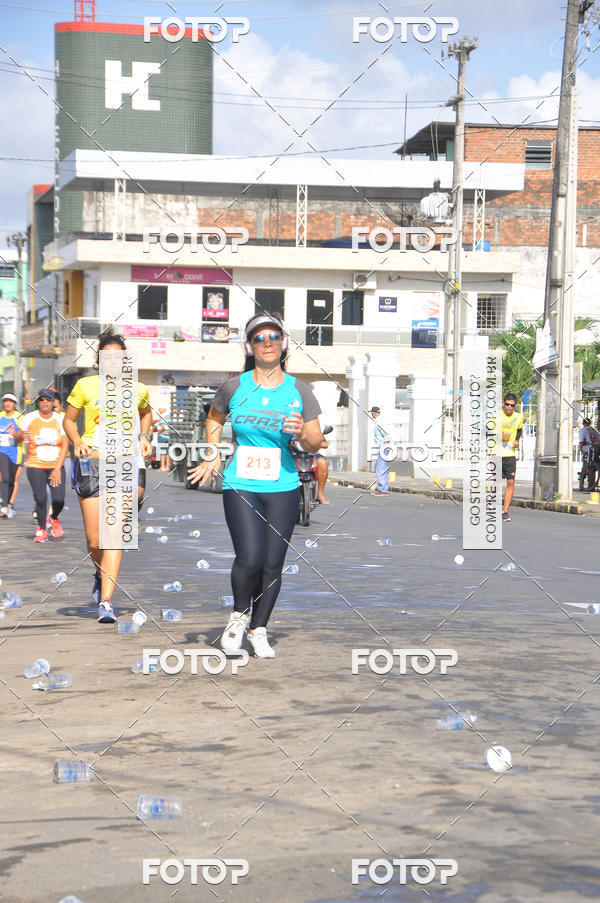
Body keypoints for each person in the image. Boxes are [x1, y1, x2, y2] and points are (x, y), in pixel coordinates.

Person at [188, 312, 324, 658]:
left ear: (284, 344)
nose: (267, 344)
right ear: (249, 346)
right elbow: (215, 418)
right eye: (260, 339)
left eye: (274, 337)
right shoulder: (235, 387)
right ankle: (238, 616)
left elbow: (315, 442)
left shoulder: (300, 391)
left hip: (283, 484)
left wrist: (301, 433)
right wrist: (213, 455)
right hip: (241, 482)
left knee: (272, 563)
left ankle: (258, 628)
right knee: (249, 556)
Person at [63, 333, 152, 623]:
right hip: (92, 462)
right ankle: (98, 574)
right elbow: (68, 418)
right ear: (99, 360)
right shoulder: (85, 385)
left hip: (124, 464)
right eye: (107, 357)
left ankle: (106, 602)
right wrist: (76, 440)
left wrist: (143, 435)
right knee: (94, 540)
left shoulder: (137, 388)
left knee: (114, 536)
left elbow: (146, 413)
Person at [20, 389, 69, 541]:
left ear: (53, 402)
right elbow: (17, 434)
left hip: (56, 465)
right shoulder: (30, 418)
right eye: (42, 400)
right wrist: (20, 435)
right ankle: (41, 529)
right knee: (40, 498)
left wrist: (57, 469)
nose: (45, 402)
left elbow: (66, 444)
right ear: (38, 402)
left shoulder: (61, 419)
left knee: (59, 500)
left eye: (49, 399)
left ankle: (54, 518)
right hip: (35, 465)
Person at [500, 393, 524, 522]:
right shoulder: (495, 416)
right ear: (503, 403)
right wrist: (499, 436)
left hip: (510, 454)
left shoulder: (519, 417)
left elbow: (519, 430)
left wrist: (516, 440)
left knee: (510, 482)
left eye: (512, 406)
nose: (509, 407)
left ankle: (505, 511)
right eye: (507, 404)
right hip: (496, 454)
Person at [0, 392, 23, 517]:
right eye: (5, 401)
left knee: (11, 480)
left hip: (15, 453)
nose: (7, 403)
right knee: (5, 478)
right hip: (1, 451)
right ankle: (4, 506)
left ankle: (8, 504)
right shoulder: (0, 415)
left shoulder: (20, 417)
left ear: (15, 404)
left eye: (10, 401)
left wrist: (15, 434)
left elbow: (23, 437)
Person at [370, 406, 391, 496]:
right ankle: (383, 488)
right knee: (382, 468)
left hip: (383, 447)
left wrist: (384, 446)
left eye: (372, 413)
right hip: (383, 447)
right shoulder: (379, 421)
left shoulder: (379, 421)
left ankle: (383, 489)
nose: (371, 414)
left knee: (380, 469)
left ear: (373, 413)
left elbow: (386, 434)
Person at [316, 436, 330, 504]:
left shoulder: (312, 427)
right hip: (293, 454)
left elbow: (325, 444)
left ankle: (320, 494)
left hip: (311, 454)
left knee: (322, 462)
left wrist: (316, 443)